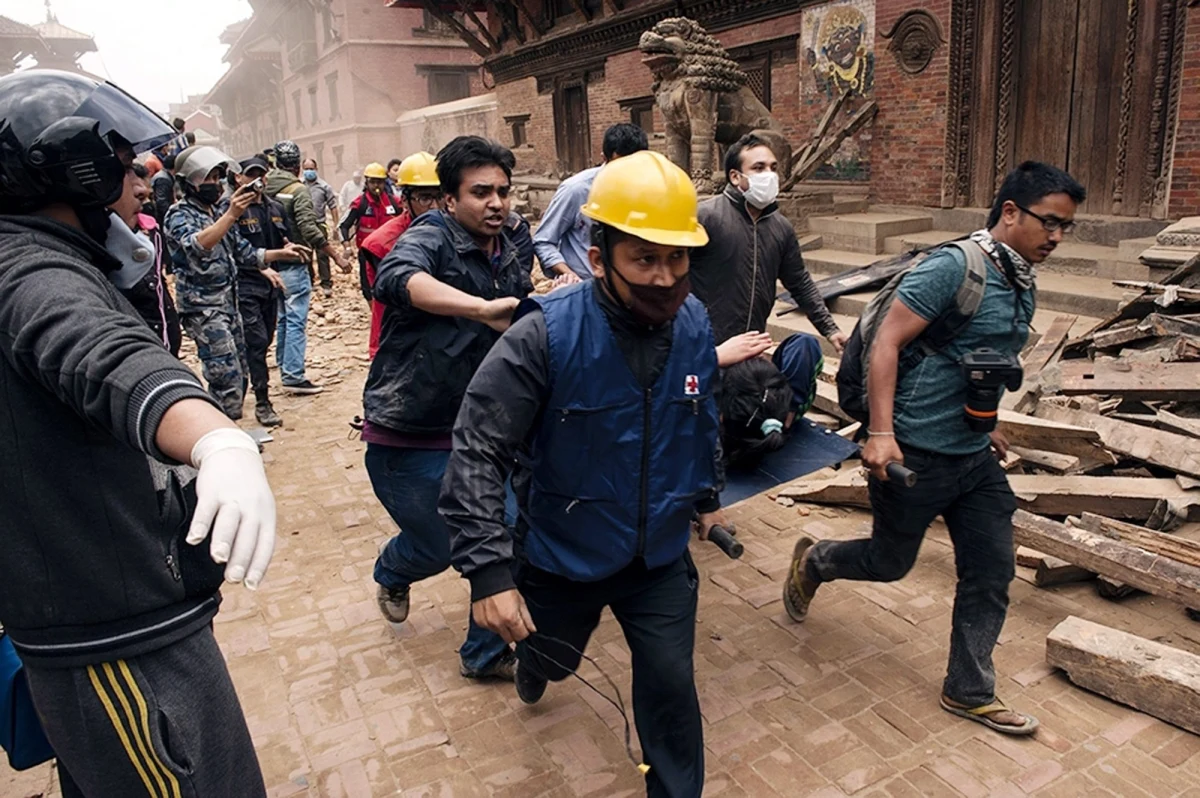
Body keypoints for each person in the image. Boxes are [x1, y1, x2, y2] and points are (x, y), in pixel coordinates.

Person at [0, 67, 275, 798]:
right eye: (124, 170)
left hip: (111, 609)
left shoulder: (50, 257)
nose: (142, 186)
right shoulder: (29, 273)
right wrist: (214, 437)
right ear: (75, 175)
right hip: (116, 641)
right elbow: (100, 354)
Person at [440, 150, 725, 797]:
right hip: (562, 557)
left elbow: (700, 411)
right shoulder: (544, 337)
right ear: (599, 261)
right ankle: (533, 668)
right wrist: (488, 572)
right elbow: (478, 447)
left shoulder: (696, 323)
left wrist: (707, 491)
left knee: (670, 688)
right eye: (644, 259)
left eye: (677, 258)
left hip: (657, 559)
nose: (665, 277)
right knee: (554, 661)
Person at [783, 161, 1087, 737]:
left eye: (1065, 227)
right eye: (1050, 223)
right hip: (912, 456)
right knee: (889, 562)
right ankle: (816, 560)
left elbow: (985, 356)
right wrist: (879, 433)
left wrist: (988, 420)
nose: (1057, 237)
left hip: (972, 458)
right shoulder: (954, 267)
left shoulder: (1021, 275)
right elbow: (887, 344)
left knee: (991, 571)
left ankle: (969, 690)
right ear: (1011, 212)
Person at [365, 136, 526, 681]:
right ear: (450, 199)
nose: (497, 203)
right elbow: (394, 279)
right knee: (437, 549)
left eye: (503, 191)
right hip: (409, 433)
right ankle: (393, 567)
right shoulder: (429, 235)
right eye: (481, 192)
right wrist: (480, 309)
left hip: (479, 433)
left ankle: (485, 654)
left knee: (502, 535)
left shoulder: (508, 247)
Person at [165, 145, 307, 420]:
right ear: (187, 182)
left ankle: (228, 429)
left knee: (240, 374)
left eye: (217, 177)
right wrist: (231, 215)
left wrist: (280, 254)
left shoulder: (214, 214)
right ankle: (222, 440)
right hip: (203, 307)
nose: (214, 184)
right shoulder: (179, 214)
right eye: (206, 178)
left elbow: (244, 252)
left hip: (229, 305)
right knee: (223, 375)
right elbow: (198, 245)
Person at [689, 133, 847, 369]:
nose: (769, 175)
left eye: (773, 168)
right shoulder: (706, 217)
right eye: (758, 168)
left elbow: (799, 282)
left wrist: (830, 329)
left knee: (803, 350)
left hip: (751, 350)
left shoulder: (780, 228)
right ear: (735, 176)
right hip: (706, 348)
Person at [264, 139, 349, 395]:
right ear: (298, 166)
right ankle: (293, 374)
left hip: (269, 262)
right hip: (294, 262)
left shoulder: (264, 186)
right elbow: (309, 228)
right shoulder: (298, 190)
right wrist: (335, 255)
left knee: (282, 317)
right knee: (295, 319)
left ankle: (283, 365)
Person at [225, 156, 294, 427]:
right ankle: (263, 402)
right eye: (250, 175)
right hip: (245, 285)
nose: (257, 180)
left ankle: (252, 386)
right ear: (238, 178)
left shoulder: (274, 207)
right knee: (255, 342)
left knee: (264, 341)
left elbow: (284, 238)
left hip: (271, 285)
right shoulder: (231, 210)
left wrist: (289, 248)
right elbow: (234, 250)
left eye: (261, 175)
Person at [532, 123, 648, 283]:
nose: (627, 174)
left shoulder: (649, 190)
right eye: (619, 167)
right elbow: (543, 241)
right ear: (604, 158)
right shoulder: (576, 189)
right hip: (585, 286)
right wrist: (569, 274)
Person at [358, 152, 442, 359]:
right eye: (424, 198)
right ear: (405, 200)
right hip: (399, 342)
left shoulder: (455, 230)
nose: (434, 206)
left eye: (439, 197)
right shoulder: (382, 244)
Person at [110, 162, 182, 355]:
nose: (145, 203)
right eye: (139, 196)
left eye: (148, 197)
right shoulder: (106, 247)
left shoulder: (151, 231)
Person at [340, 161, 402, 311]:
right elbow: (344, 225)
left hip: (391, 252)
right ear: (366, 182)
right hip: (367, 253)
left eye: (379, 182)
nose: (376, 186)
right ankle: (374, 313)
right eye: (373, 182)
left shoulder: (394, 203)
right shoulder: (359, 204)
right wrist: (347, 246)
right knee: (368, 284)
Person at [303, 157, 339, 297]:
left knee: (323, 254)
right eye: (306, 169)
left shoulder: (324, 186)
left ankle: (326, 284)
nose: (309, 172)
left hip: (319, 224)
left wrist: (336, 225)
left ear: (316, 169)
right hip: (304, 224)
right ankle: (309, 282)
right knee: (306, 254)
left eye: (311, 169)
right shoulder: (299, 186)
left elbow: (333, 207)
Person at [150, 151, 176, 227]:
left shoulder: (165, 176)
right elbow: (161, 201)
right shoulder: (163, 179)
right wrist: (171, 215)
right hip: (160, 216)